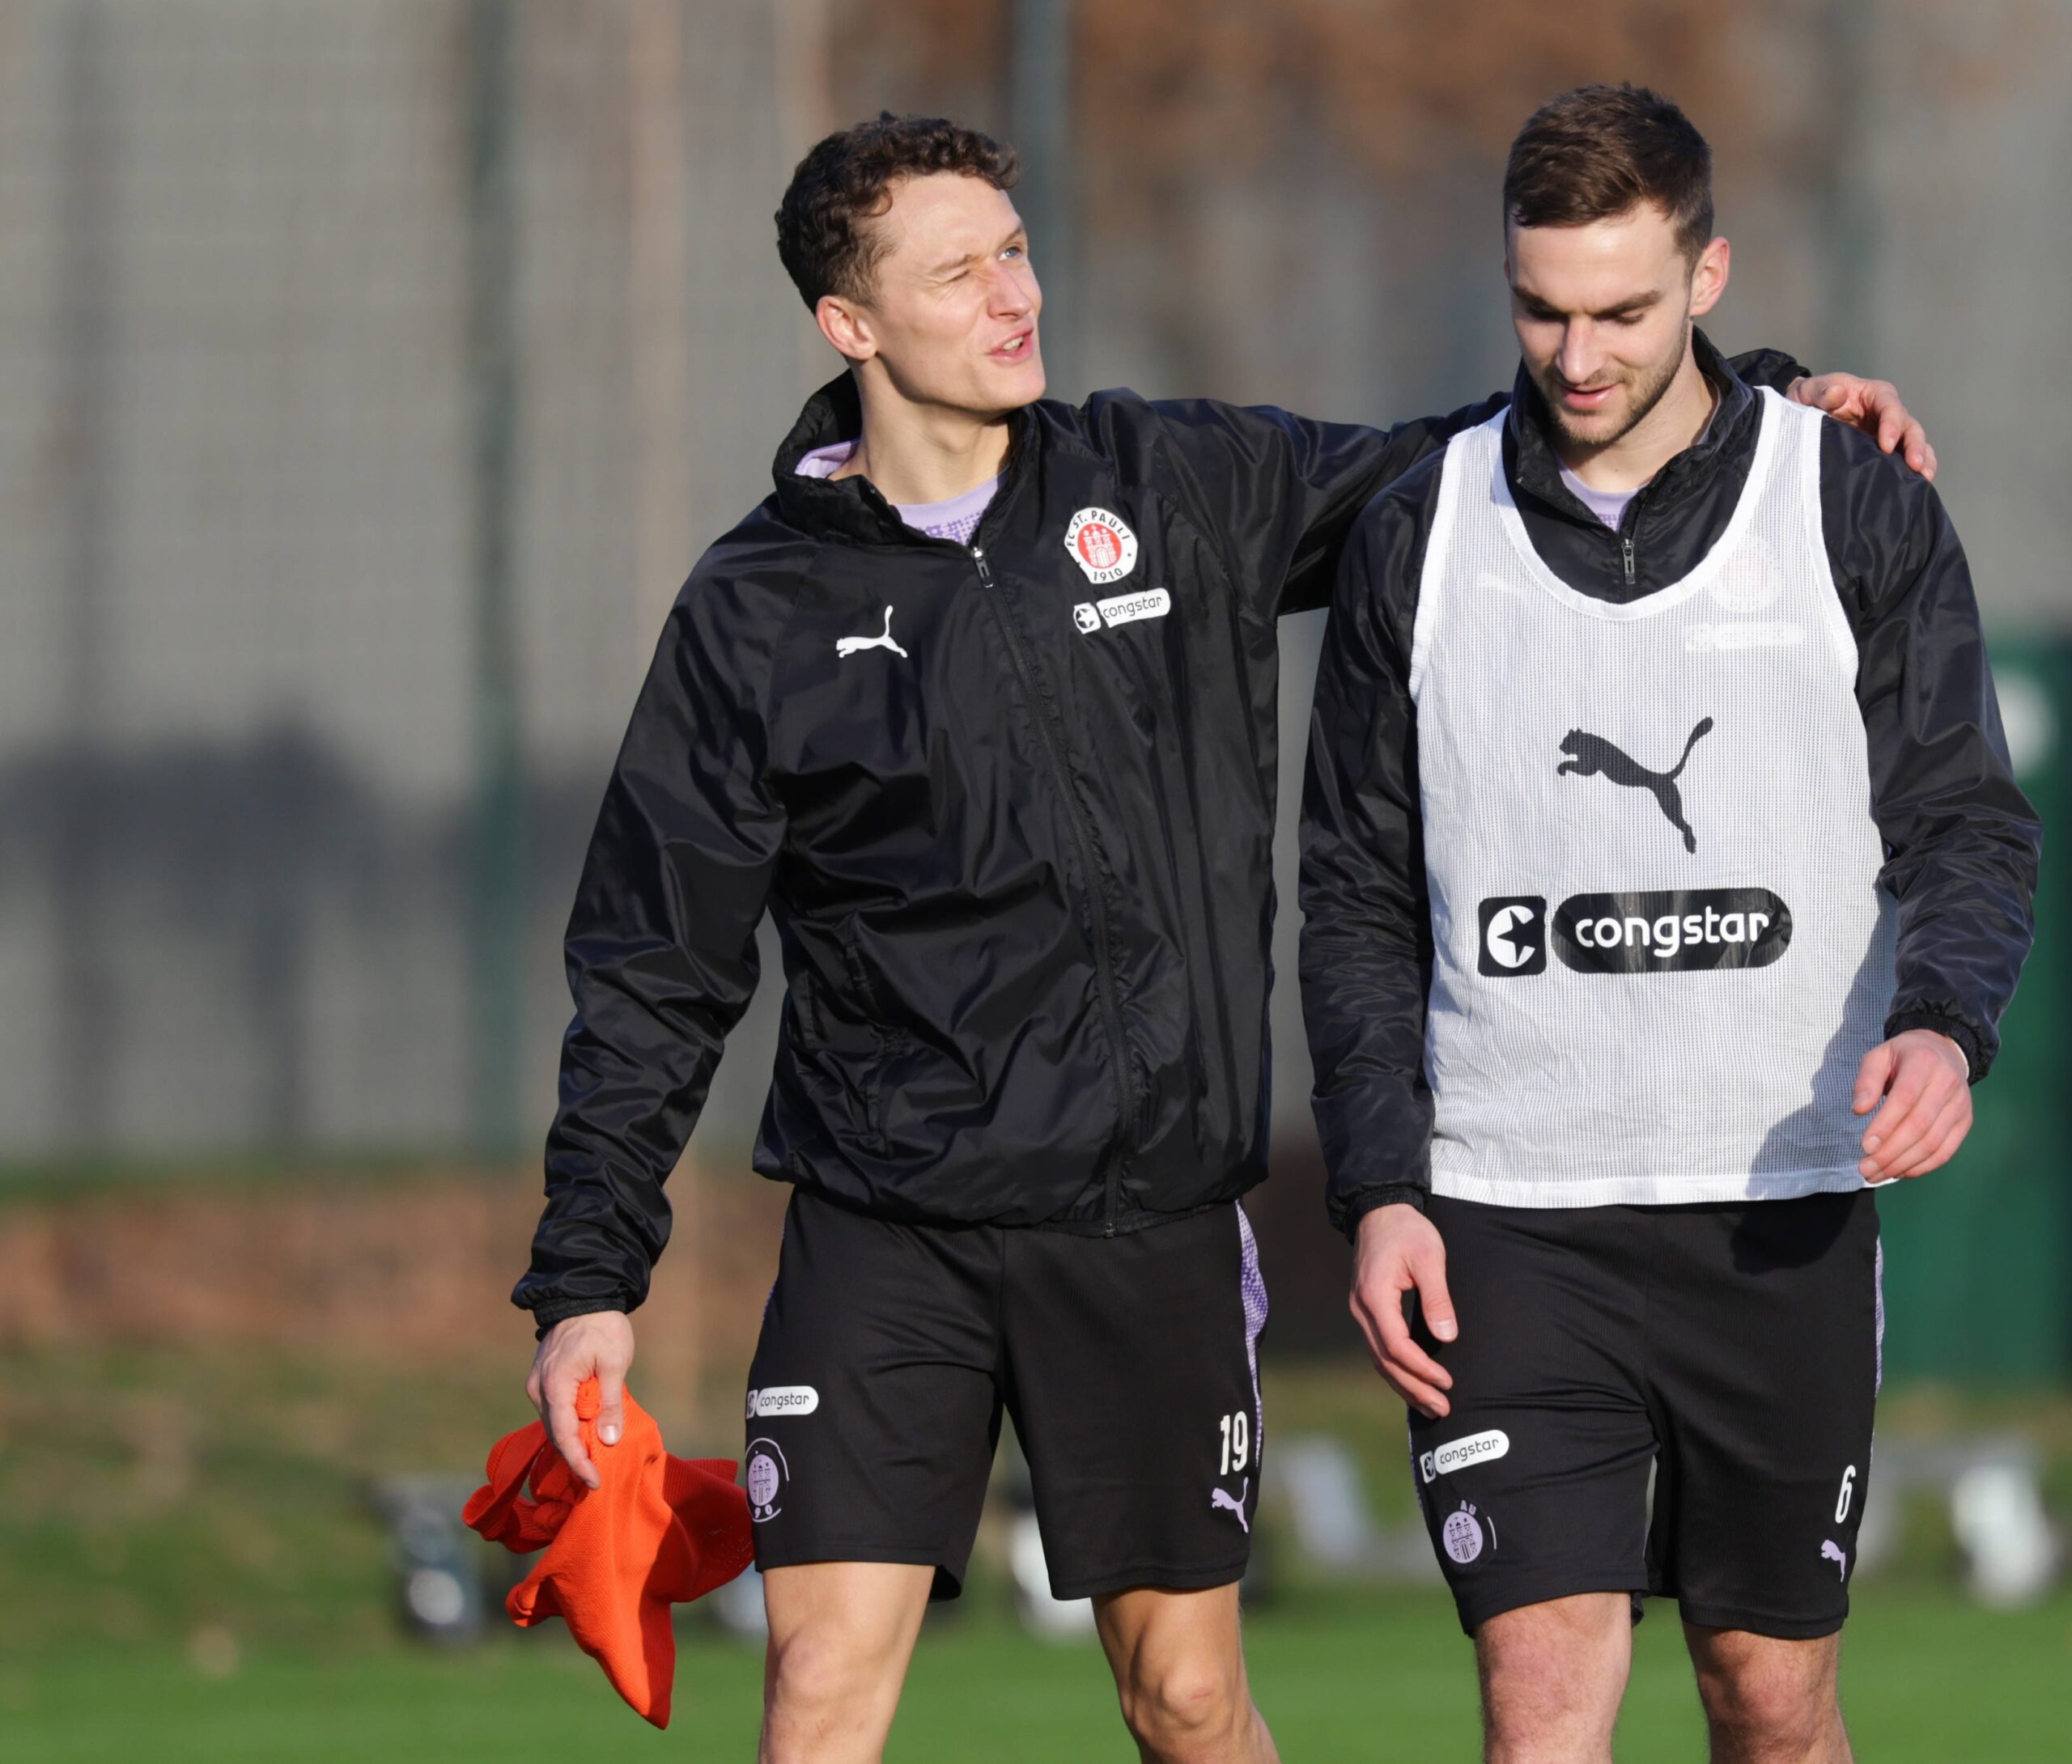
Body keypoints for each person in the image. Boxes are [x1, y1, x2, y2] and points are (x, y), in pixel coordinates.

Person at [512, 112, 1927, 1764]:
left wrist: (1749, 396)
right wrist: (589, 1280)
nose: (1010, 293)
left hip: (1141, 1224)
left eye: (1014, 251)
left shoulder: (1167, 483)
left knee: (1183, 1700)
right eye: (956, 270)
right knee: (819, 1684)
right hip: (880, 1223)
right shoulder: (754, 607)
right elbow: (653, 964)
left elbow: (1469, 462)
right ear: (850, 325)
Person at [1300, 83, 2040, 1764]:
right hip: (1507, 1218)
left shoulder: (1847, 499)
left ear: (1707, 276)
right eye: (1540, 310)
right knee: (1539, 1700)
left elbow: (1961, 819)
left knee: (1766, 1701)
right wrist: (1379, 1185)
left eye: (1620, 310)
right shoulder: (1418, 531)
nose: (1575, 353)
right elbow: (1347, 890)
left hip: (1766, 1212)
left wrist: (1942, 1019)